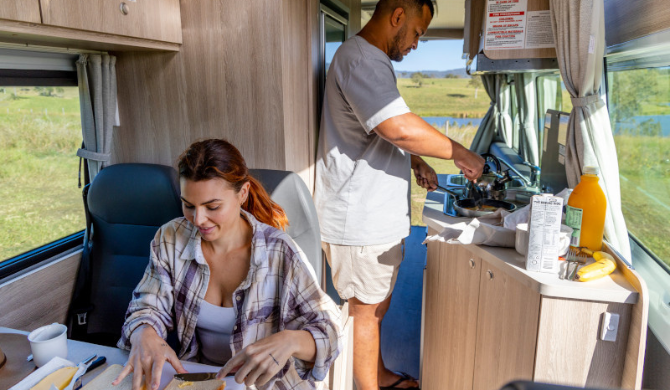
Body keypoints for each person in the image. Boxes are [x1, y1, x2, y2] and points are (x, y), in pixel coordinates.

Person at [314, 1, 485, 389]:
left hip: (376, 218)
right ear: (397, 16)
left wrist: (416, 161)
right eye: (418, 33)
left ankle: (378, 373)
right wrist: (460, 153)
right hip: (359, 220)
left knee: (377, 308)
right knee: (365, 314)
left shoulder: (371, 61)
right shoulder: (360, 60)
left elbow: (373, 130)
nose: (416, 44)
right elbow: (398, 128)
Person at [113, 139, 341, 390]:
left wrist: (291, 341)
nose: (198, 219)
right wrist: (143, 331)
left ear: (242, 194)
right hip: (202, 381)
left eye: (213, 206)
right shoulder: (170, 239)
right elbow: (147, 306)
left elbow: (331, 333)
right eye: (189, 205)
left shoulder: (280, 251)